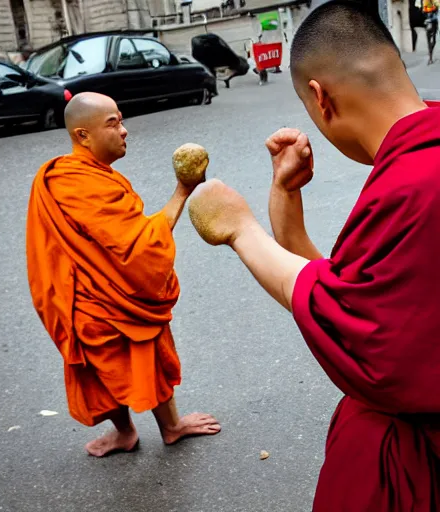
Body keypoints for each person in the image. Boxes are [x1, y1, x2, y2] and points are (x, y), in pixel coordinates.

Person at [188, 1, 440, 509]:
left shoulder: (420, 183)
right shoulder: (422, 155)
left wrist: (241, 229)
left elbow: (360, 335)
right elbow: (355, 294)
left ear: (320, 98)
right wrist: (286, 200)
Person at [26, 92, 220, 457]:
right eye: (112, 124)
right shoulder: (66, 181)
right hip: (86, 296)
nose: (125, 131)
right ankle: (126, 431)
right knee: (105, 363)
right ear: (82, 136)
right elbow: (141, 247)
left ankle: (169, 426)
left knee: (143, 350)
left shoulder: (88, 176)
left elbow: (127, 241)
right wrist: (182, 191)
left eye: (121, 120)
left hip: (104, 290)